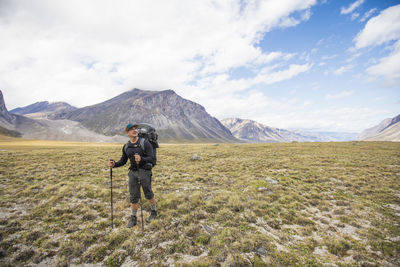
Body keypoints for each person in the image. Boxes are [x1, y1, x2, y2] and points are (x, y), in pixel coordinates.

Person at [108, 123, 157, 228]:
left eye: (135, 129)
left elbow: (152, 158)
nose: (135, 130)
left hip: (144, 171)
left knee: (148, 193)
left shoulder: (145, 143)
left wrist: (142, 159)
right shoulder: (126, 146)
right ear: (127, 133)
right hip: (133, 173)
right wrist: (114, 164)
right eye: (132, 129)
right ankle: (133, 218)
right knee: (133, 196)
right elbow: (123, 161)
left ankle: (154, 212)